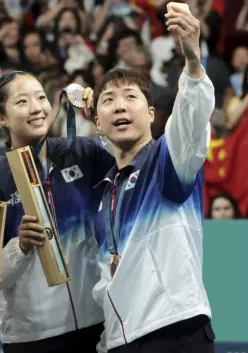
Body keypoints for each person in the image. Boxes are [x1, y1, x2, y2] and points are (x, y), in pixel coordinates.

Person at [91, 5, 216, 352]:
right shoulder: (105, 191)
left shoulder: (168, 159)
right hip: (121, 339)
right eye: (108, 100)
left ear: (150, 114)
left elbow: (190, 119)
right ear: (97, 122)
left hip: (173, 330)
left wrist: (192, 62)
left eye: (131, 97)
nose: (119, 106)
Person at [0, 72, 115, 353]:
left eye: (41, 97)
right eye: (22, 101)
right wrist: (20, 248)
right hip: (32, 336)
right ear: (2, 118)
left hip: (96, 322)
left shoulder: (84, 153)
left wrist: (100, 113)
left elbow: (131, 159)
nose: (36, 108)